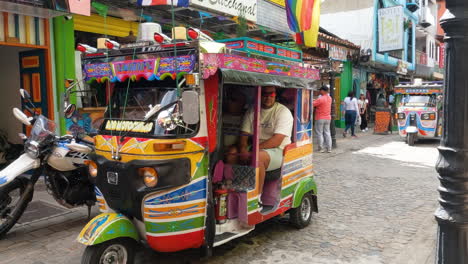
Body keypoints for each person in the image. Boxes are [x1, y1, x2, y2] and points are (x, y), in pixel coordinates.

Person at [227, 86, 293, 201]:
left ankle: (256, 197)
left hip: (278, 150)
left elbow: (277, 140)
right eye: (264, 94)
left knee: (258, 157)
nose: (267, 97)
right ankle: (232, 187)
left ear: (275, 95)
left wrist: (253, 150)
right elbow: (244, 134)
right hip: (255, 146)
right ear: (259, 95)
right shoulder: (252, 111)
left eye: (271, 94)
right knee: (232, 153)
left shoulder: (283, 112)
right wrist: (243, 149)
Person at [313, 86, 332, 153]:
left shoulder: (321, 99)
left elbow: (312, 104)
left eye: (320, 90)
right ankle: (329, 148)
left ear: (323, 91)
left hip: (320, 118)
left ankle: (321, 148)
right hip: (328, 118)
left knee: (319, 133)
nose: (319, 91)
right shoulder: (330, 98)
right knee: (327, 133)